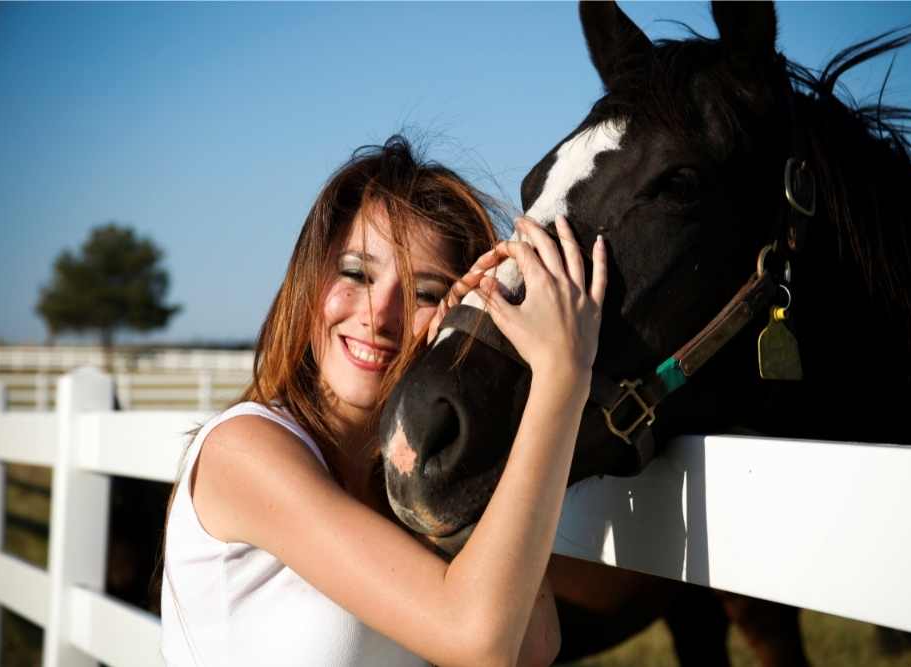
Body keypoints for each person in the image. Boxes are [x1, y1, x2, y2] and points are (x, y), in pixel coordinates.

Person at [160, 135, 607, 666]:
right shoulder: (244, 451)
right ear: (310, 280)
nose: (380, 313)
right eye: (356, 273)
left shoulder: (398, 485)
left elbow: (530, 648)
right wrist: (561, 376)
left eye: (424, 292)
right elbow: (479, 642)